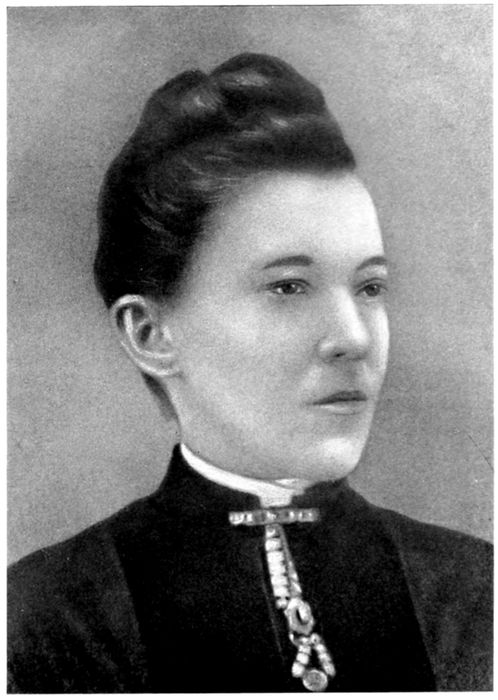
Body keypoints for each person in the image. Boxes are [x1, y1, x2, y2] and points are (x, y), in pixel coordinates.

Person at [8, 53, 492, 693]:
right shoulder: (48, 618)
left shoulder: (474, 592)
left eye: (370, 287)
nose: (353, 338)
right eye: (289, 287)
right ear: (150, 334)